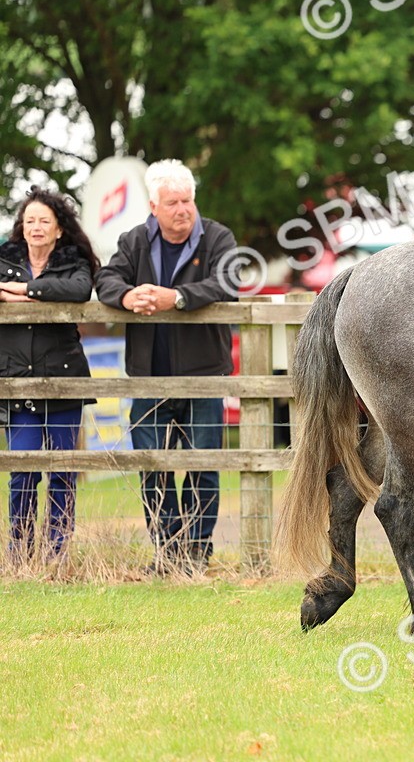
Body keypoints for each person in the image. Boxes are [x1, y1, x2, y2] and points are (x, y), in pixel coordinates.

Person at [95, 159, 239, 575]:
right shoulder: (134, 240)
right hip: (148, 376)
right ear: (153, 206)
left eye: (188, 200)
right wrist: (127, 297)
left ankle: (196, 553)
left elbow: (227, 282)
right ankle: (167, 552)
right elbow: (106, 279)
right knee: (152, 465)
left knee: (203, 466)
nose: (183, 209)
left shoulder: (217, 237)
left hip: (204, 374)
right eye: (173, 202)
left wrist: (174, 298)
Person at [0, 188, 99, 564]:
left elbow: (77, 290)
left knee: (62, 472)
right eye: (30, 221)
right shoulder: (4, 257)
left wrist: (24, 290)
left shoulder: (73, 260)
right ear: (21, 228)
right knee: (22, 471)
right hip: (16, 381)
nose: (36, 227)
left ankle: (57, 554)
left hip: (63, 379)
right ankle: (21, 555)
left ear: (59, 229)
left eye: (44, 221)